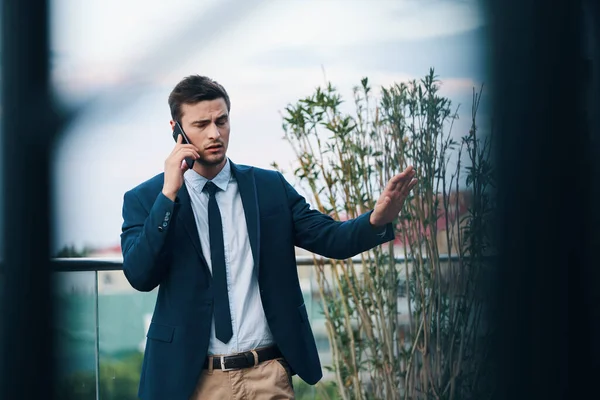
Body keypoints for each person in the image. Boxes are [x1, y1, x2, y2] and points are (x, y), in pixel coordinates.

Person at [120, 75, 417, 400]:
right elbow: (139, 274)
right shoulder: (148, 199)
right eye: (201, 124)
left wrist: (377, 220)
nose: (214, 133)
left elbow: (331, 237)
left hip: (267, 375)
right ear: (176, 129)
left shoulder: (269, 188)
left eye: (222, 121)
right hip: (193, 382)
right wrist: (169, 194)